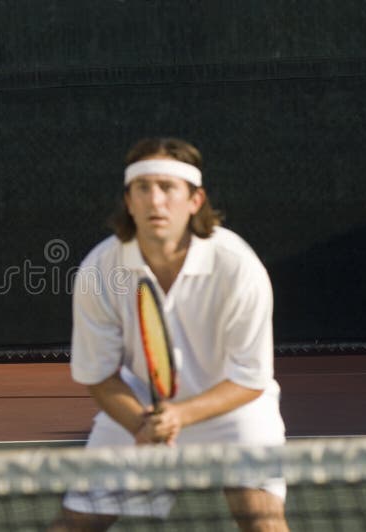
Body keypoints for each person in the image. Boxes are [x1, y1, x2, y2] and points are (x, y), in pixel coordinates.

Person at [50, 138, 288, 531]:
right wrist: (140, 424)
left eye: (167, 188)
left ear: (195, 200)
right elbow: (99, 375)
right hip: (139, 406)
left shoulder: (237, 267)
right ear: (128, 201)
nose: (155, 201)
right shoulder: (99, 269)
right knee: (75, 525)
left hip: (233, 408)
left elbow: (251, 378)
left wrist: (180, 415)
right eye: (143, 188)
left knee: (262, 521)